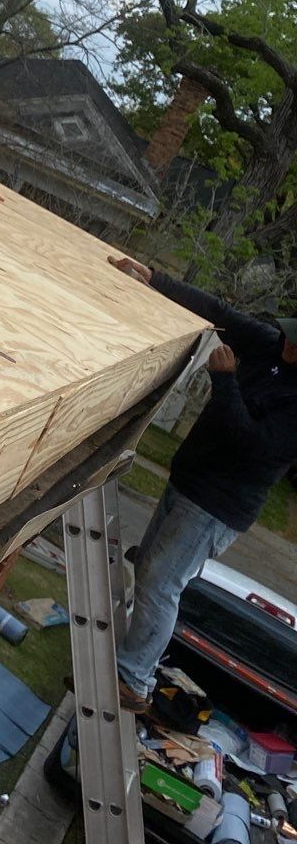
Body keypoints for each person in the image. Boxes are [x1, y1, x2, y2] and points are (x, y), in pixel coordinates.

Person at [107, 254, 297, 712]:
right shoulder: (272, 346)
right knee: (149, 567)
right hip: (191, 480)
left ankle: (134, 680)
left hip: (216, 506)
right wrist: (156, 278)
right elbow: (220, 312)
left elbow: (250, 444)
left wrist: (226, 382)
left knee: (161, 583)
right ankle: (130, 658)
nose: (285, 340)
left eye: (294, 341)